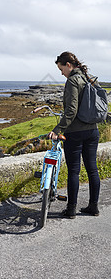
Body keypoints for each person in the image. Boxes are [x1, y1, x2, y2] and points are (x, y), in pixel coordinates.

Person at [48, 51, 100, 219]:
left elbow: (71, 111)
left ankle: (71, 210)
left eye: (61, 69)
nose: (61, 73)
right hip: (93, 130)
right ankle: (94, 207)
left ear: (68, 65)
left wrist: (57, 130)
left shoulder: (72, 81)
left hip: (76, 133)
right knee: (92, 169)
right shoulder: (88, 77)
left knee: (74, 171)